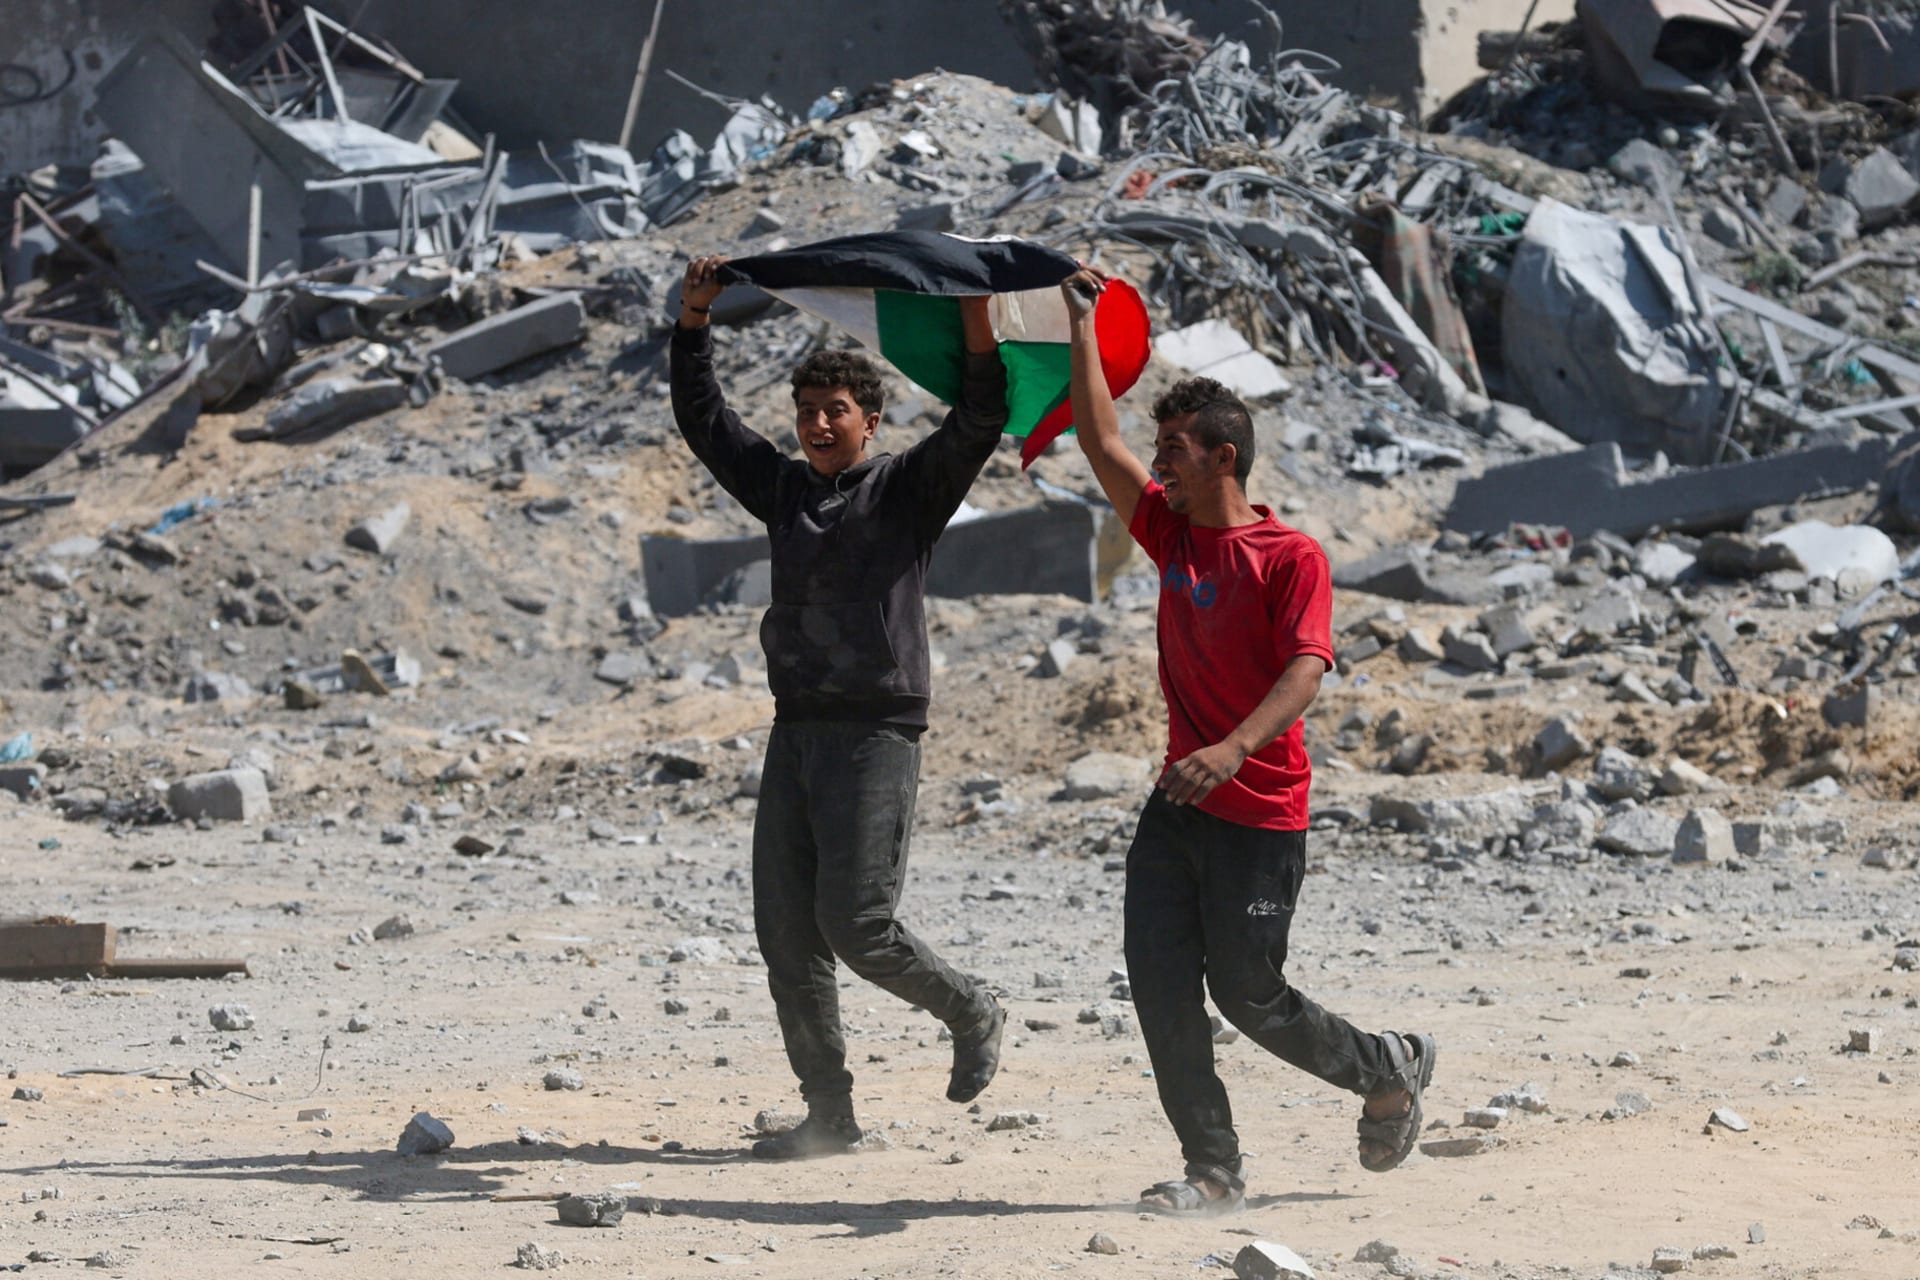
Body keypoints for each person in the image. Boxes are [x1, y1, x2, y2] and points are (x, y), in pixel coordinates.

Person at [1060, 267, 1437, 1215]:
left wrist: (1232, 748)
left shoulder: (1290, 558)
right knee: (1159, 989)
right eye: (1160, 449)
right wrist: (1079, 323)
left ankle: (1384, 1069)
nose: (1159, 465)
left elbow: (1307, 669)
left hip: (1260, 814)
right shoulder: (1170, 534)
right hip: (1177, 806)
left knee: (1248, 993)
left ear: (1222, 457)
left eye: (1175, 449)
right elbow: (1099, 440)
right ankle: (1212, 1171)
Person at [670, 255, 1008, 1160]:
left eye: (836, 411)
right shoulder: (785, 491)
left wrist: (976, 315)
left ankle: (970, 1006)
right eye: (807, 411)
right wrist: (695, 320)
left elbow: (980, 416)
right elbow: (706, 423)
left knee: (858, 923)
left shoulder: (907, 489)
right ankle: (829, 1114)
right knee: (787, 934)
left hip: (876, 730)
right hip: (798, 729)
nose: (819, 425)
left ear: (871, 420)